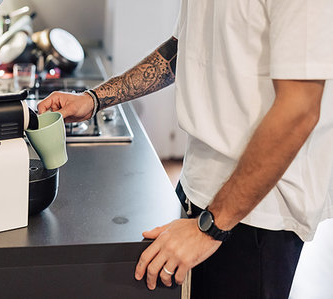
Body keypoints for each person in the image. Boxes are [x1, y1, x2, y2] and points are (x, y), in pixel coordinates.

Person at [38, 0, 333, 298]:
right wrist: (94, 99)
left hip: (258, 213)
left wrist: (212, 227)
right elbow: (181, 51)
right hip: (199, 187)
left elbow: (299, 111)